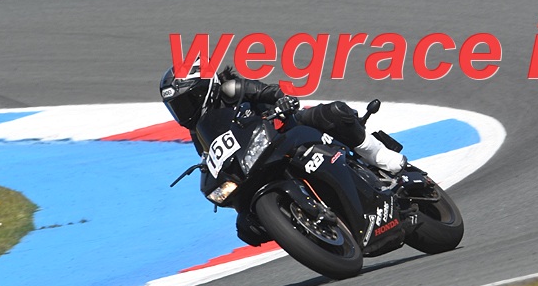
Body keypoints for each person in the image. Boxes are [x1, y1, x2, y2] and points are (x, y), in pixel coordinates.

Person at [160, 60, 409, 245]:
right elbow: (210, 159)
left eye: (186, 102)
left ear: (205, 88)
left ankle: (379, 156)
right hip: (258, 162)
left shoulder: (232, 89)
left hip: (287, 130)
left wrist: (282, 100)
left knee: (333, 113)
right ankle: (304, 227)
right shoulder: (198, 132)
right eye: (176, 107)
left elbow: (269, 92)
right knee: (246, 227)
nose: (183, 111)